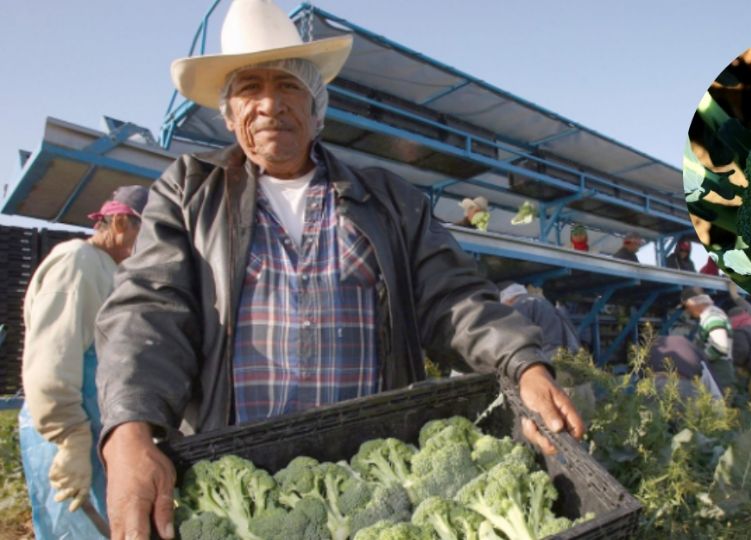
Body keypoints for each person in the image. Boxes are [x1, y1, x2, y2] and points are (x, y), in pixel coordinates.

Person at [93, 2, 583, 538]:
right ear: (230, 115)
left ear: (316, 105)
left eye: (287, 86)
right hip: (242, 470)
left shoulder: (389, 198)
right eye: (249, 89)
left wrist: (523, 363)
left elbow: (453, 298)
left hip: (365, 479)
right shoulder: (189, 191)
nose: (268, 105)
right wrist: (128, 427)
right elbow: (148, 308)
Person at [18, 186, 147, 539]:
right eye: (146, 234)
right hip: (70, 434)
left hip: (98, 430)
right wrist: (70, 438)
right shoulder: (77, 261)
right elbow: (51, 357)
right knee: (79, 529)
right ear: (120, 222)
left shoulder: (111, 270)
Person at [500, 283, 580, 359]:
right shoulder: (543, 301)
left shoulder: (521, 304)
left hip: (547, 353)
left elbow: (515, 337)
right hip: (562, 350)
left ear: (508, 299)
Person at [681, 288, 736, 395]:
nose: (687, 311)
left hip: (719, 369)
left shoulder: (712, 317)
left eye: (686, 307)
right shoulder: (712, 315)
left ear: (693, 302)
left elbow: (720, 346)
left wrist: (698, 360)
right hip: (719, 368)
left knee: (720, 407)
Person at [646, 335, 723, 403]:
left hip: (657, 383)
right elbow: (712, 386)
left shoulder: (651, 346)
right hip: (686, 385)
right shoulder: (691, 346)